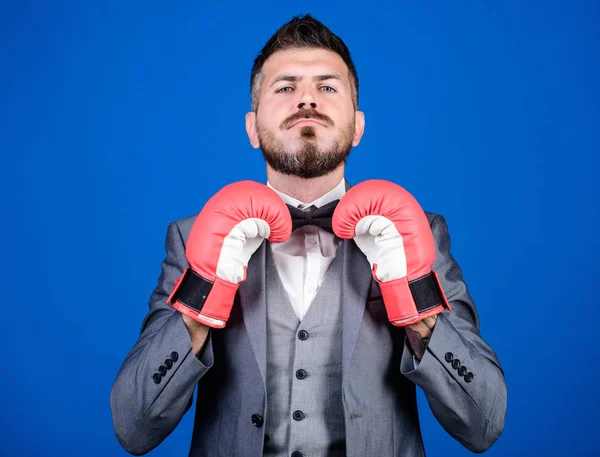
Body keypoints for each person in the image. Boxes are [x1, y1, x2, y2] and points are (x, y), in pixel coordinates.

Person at [110, 14, 507, 457]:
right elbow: (133, 427)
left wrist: (414, 303)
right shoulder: (192, 237)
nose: (306, 101)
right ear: (251, 127)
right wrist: (204, 296)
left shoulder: (418, 231)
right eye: (285, 88)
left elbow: (484, 423)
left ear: (357, 127)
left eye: (327, 87)